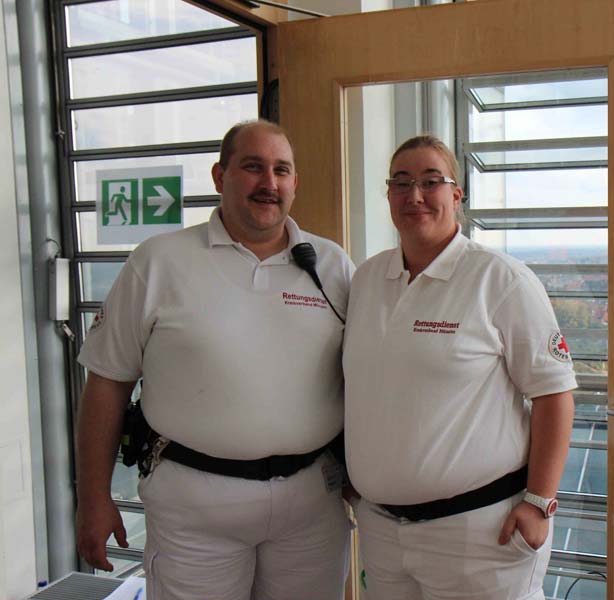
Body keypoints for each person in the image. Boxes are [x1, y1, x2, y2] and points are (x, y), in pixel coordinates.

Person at [75, 119, 353, 600]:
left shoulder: (331, 265)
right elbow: (106, 384)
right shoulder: (158, 262)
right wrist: (93, 497)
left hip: (311, 505)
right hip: (194, 509)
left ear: (294, 182)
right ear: (220, 176)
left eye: (281, 170)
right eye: (253, 167)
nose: (269, 183)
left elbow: (364, 377)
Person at [342, 135, 577, 599]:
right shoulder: (367, 279)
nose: (414, 195)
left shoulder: (501, 279)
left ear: (457, 195)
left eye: (431, 182)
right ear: (388, 195)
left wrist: (539, 502)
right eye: (401, 183)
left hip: (480, 532)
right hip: (382, 530)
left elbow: (554, 394)